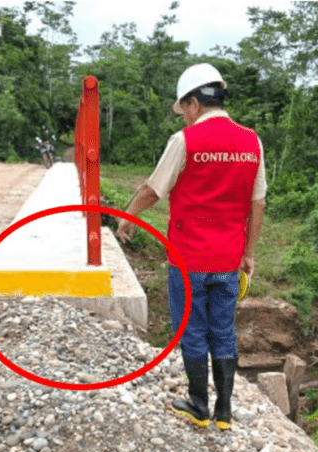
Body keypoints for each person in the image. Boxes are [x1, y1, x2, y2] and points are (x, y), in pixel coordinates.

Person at [117, 63, 267, 430]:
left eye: (184, 109)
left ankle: (199, 405)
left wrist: (127, 217)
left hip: (188, 258)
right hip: (229, 259)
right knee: (223, 330)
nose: (183, 116)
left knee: (193, 330)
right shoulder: (252, 140)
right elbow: (257, 202)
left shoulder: (185, 141)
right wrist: (249, 254)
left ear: (195, 102)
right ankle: (225, 412)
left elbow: (153, 190)